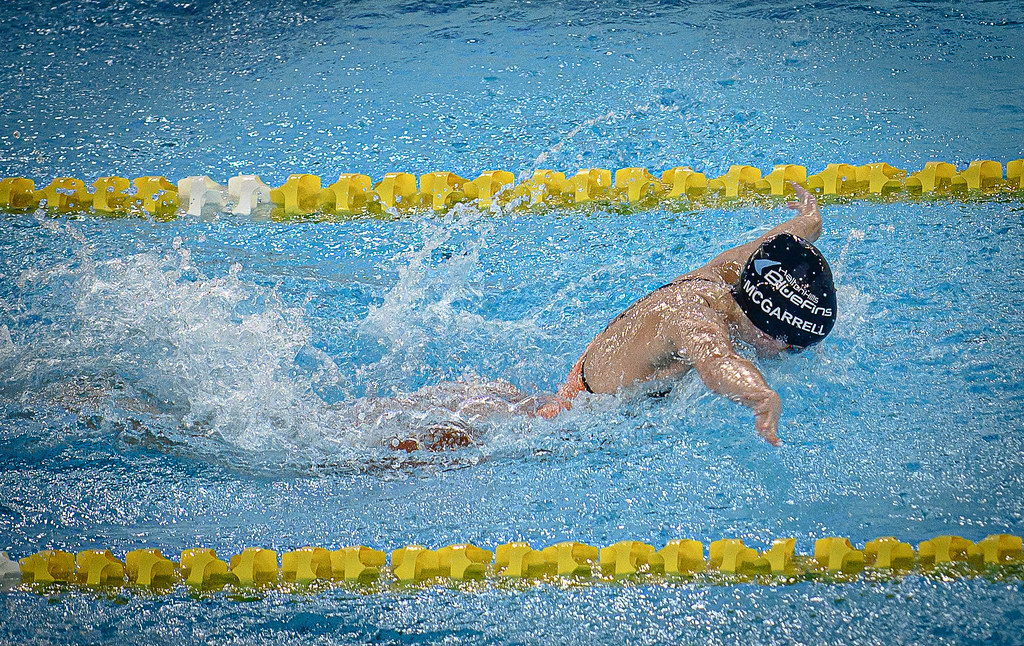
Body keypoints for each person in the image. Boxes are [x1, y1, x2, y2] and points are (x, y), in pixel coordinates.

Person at [536, 183, 837, 446]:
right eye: (794, 347)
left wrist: (810, 219)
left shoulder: (737, 272)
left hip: (612, 354)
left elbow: (783, 243)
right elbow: (717, 362)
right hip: (577, 409)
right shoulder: (695, 317)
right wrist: (761, 395)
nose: (791, 354)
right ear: (765, 330)